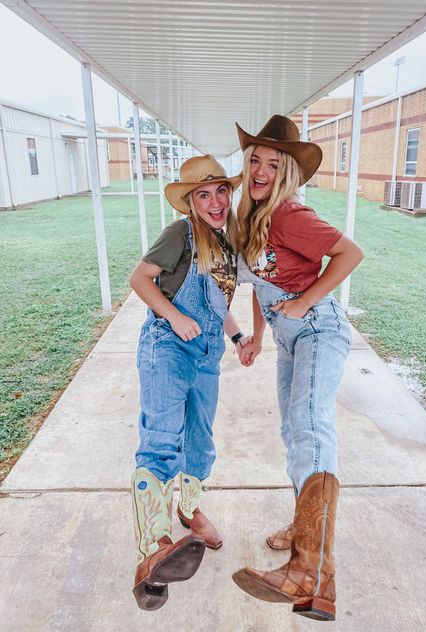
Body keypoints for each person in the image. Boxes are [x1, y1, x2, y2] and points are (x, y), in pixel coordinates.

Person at [231, 115, 364, 621]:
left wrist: (305, 301)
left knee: (311, 428)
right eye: (254, 160)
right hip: (288, 335)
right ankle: (310, 552)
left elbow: (350, 253)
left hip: (316, 329)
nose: (261, 170)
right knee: (295, 432)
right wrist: (257, 337)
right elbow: (260, 287)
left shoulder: (288, 213)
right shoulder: (254, 216)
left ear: (287, 173)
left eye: (272, 163)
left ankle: (308, 568)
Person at [129, 155, 248, 611]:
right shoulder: (180, 234)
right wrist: (175, 316)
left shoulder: (226, 241)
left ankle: (189, 511)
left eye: (221, 191)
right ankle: (153, 550)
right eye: (204, 194)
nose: (215, 201)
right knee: (161, 441)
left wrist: (237, 335)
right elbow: (140, 278)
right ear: (191, 201)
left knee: (199, 440)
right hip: (168, 346)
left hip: (207, 353)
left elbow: (218, 299)